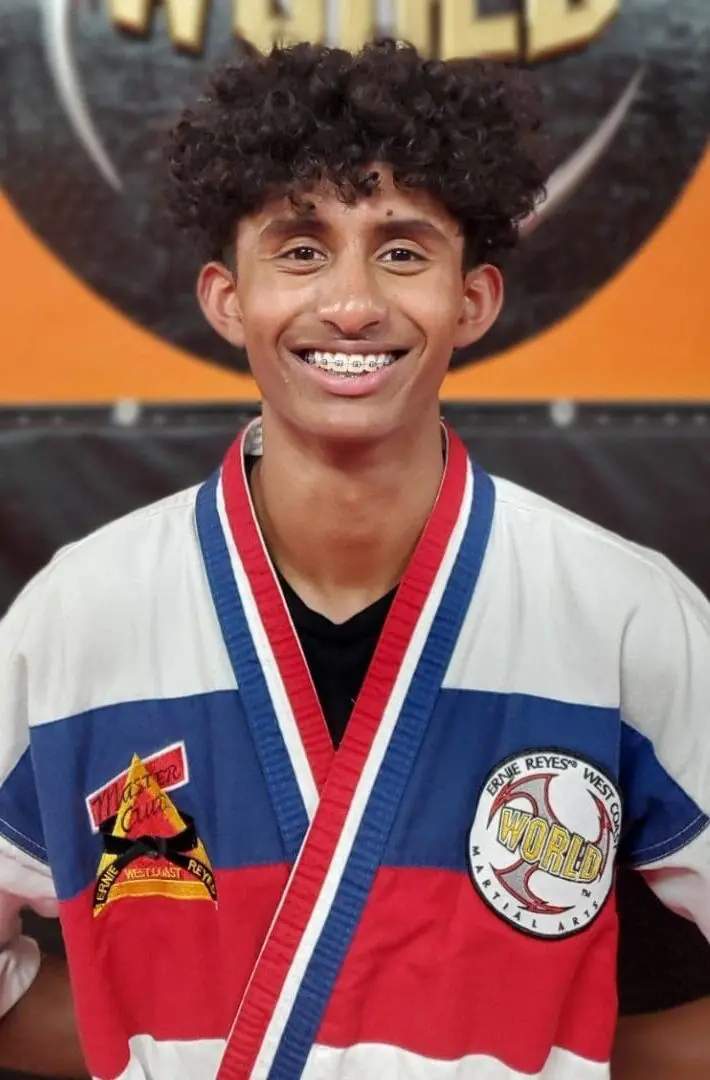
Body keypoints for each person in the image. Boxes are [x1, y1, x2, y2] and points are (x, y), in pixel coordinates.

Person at [0, 36, 709, 1080]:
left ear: (471, 301)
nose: (350, 303)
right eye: (297, 249)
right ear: (224, 297)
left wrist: (563, 1051)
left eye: (402, 251)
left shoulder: (620, 612)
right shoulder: (79, 614)